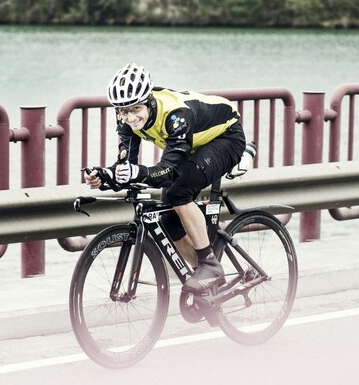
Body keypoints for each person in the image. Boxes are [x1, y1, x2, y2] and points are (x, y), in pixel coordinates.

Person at [85, 63, 246, 293]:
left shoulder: (175, 115)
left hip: (226, 138)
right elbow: (126, 166)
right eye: (122, 111)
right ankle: (210, 284)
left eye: (135, 109)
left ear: (149, 101)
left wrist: (138, 172)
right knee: (168, 219)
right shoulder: (126, 121)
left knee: (178, 192)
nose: (130, 117)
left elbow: (169, 169)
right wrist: (106, 176)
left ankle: (210, 264)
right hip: (194, 144)